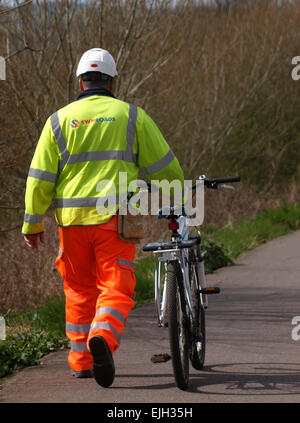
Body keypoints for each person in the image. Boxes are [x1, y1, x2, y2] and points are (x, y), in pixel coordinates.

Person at [22, 48, 184, 388]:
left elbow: (39, 178)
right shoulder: (131, 116)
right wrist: (180, 196)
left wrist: (33, 223)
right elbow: (164, 167)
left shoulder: (58, 121)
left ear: (80, 81)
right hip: (114, 222)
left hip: (72, 224)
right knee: (116, 287)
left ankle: (81, 361)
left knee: (79, 291)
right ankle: (103, 336)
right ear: (112, 81)